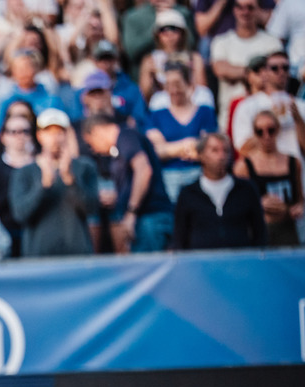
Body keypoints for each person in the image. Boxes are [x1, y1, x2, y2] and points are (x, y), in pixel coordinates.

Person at [10, 108, 99, 256]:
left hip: (77, 255)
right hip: (39, 257)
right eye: (48, 132)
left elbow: (91, 209)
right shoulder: (24, 172)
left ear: (67, 135)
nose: (54, 138)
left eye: (59, 132)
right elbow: (20, 214)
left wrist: (70, 180)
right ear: (39, 135)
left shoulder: (85, 167)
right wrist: (43, 186)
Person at [82, 113, 173, 253]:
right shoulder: (121, 146)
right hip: (146, 219)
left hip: (150, 218)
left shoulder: (126, 136)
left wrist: (131, 212)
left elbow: (144, 170)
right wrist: (117, 197)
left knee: (146, 270)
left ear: (96, 131)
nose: (93, 149)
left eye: (90, 144)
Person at [173, 132, 266, 249]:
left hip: (240, 262)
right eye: (215, 150)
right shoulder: (188, 193)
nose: (221, 156)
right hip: (201, 263)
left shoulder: (246, 189)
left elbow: (259, 231)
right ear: (201, 155)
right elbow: (179, 236)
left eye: (226, 151)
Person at [145, 61, 218, 203]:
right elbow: (156, 151)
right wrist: (190, 143)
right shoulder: (157, 115)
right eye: (168, 85)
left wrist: (170, 148)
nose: (173, 90)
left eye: (177, 84)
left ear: (188, 83)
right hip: (168, 175)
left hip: (199, 173)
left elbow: (210, 148)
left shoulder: (205, 112)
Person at [208, 0, 282, 131]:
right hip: (230, 117)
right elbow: (220, 69)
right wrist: (254, 73)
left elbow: (277, 75)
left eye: (250, 7)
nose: (245, 12)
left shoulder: (272, 42)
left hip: (267, 121)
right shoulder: (221, 42)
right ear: (234, 10)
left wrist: (238, 72)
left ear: (257, 9)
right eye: (240, 7)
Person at [233, 110, 303, 246]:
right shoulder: (244, 166)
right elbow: (237, 203)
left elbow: (300, 198)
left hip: (288, 228)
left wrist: (298, 207)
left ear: (278, 130)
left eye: (271, 130)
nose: (266, 136)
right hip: (259, 229)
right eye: (260, 132)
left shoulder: (293, 162)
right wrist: (258, 203)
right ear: (254, 134)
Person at [231, 51, 305, 159]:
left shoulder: (300, 105)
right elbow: (243, 149)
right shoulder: (247, 106)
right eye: (274, 68)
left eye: (285, 67)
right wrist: (270, 125)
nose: (281, 72)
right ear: (264, 72)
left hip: (296, 172)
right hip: (262, 173)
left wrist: (298, 119)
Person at [0, 113, 36, 257]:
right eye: (14, 132)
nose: (20, 136)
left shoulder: (40, 164)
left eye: (25, 131)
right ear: (3, 137)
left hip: (35, 232)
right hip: (5, 232)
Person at [137, 8, 207, 105]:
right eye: (163, 30)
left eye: (174, 29)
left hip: (190, 107)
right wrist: (150, 77)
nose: (169, 34)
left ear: (182, 33)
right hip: (162, 109)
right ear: (157, 34)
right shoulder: (150, 60)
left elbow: (203, 94)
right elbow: (143, 98)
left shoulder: (195, 59)